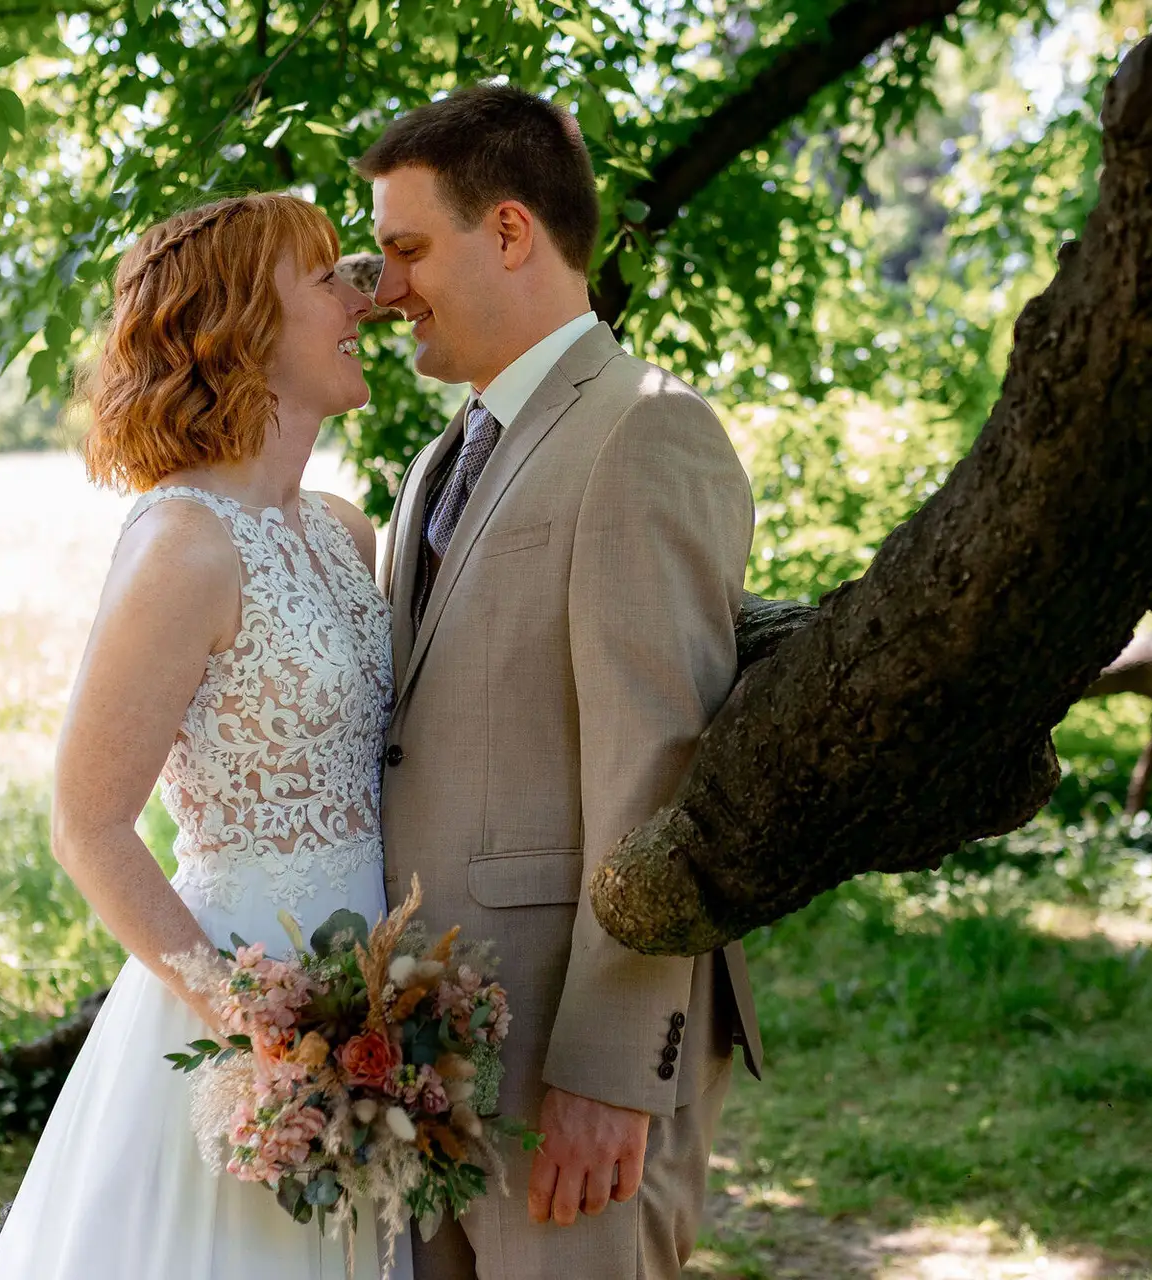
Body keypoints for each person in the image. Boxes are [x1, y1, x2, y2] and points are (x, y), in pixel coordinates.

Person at [359, 85, 764, 1279]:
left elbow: (661, 771)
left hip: (564, 1062)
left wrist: (611, 1065)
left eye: (406, 249)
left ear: (508, 231)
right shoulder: (436, 461)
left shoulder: (647, 429)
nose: (384, 291)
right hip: (425, 1053)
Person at [0, 192, 409, 1280]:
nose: (360, 299)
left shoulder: (343, 531)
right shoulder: (183, 545)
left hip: (373, 992)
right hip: (241, 1003)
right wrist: (252, 1027)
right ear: (241, 328)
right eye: (325, 280)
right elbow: (87, 824)